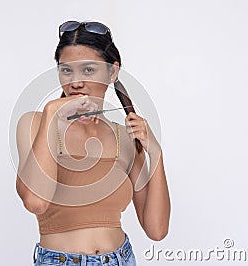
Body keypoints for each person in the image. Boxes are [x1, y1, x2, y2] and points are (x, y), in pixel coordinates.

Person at [16, 20, 170, 266]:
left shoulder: (125, 138)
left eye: (88, 70)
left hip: (121, 258)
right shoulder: (34, 124)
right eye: (66, 70)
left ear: (112, 72)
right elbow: (35, 201)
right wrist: (51, 113)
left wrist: (156, 153)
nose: (75, 82)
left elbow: (157, 230)